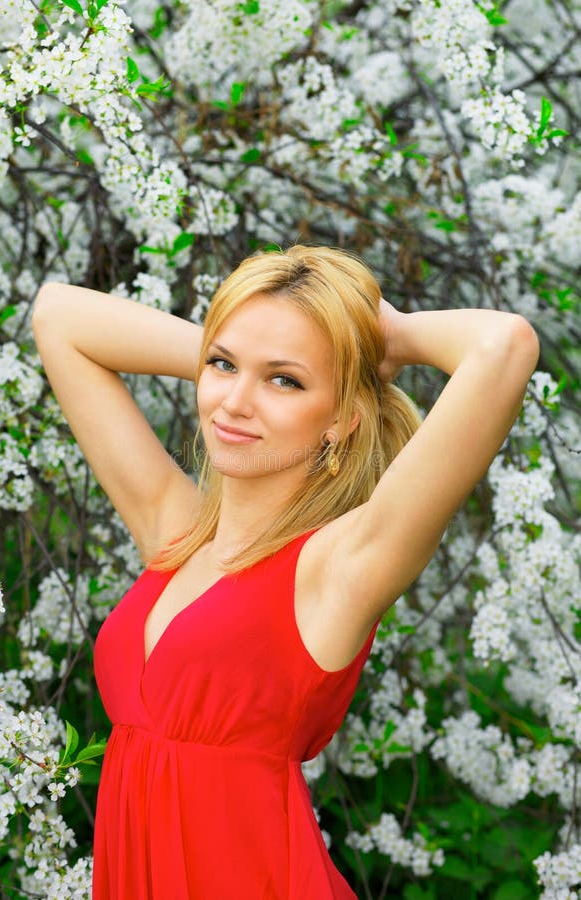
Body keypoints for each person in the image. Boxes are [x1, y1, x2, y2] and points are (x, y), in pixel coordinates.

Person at [31, 245, 540, 899]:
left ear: (342, 418)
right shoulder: (176, 533)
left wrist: (384, 337)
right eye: (222, 367)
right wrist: (255, 349)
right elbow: (59, 316)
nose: (235, 403)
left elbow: (506, 345)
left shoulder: (341, 567)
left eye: (285, 381)